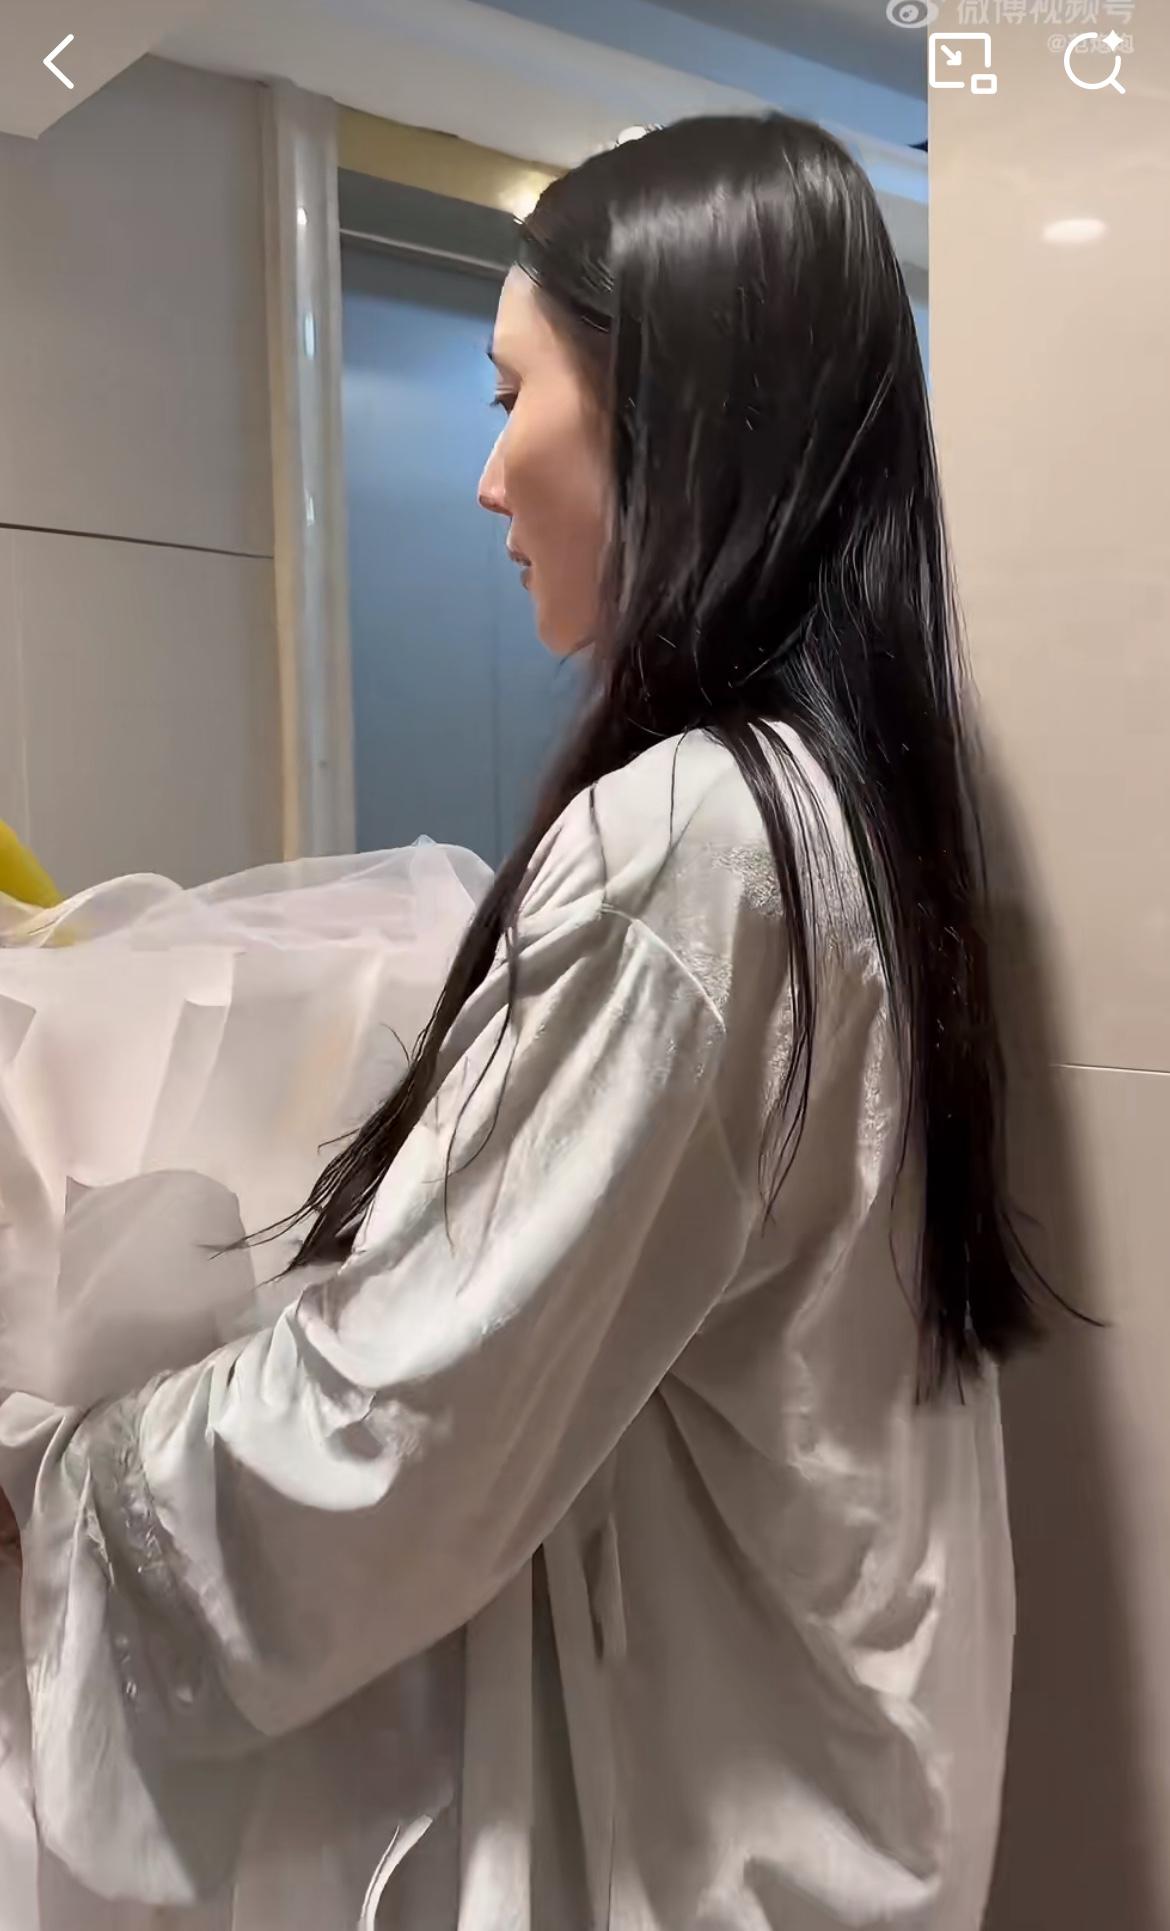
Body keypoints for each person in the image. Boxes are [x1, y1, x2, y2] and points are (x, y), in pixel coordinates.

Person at [0, 113, 1040, 1929]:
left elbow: (400, 1431)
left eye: (508, 395)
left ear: (669, 416)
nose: (487, 480)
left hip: (712, 1829)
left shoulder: (689, 843)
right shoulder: (835, 800)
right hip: (834, 1773)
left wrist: (56, 1490)